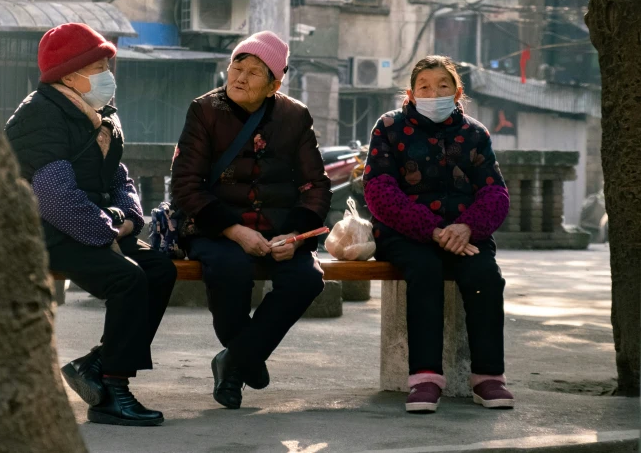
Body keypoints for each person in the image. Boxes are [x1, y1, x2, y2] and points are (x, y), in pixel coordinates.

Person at [5, 23, 176, 426]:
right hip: (44, 229)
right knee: (128, 279)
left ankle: (97, 364)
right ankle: (112, 392)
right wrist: (107, 231)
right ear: (69, 74)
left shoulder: (100, 114)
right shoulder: (39, 116)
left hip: (91, 224)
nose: (107, 74)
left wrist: (131, 219)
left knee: (160, 269)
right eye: (99, 65)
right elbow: (54, 195)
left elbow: (119, 177)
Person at [171, 31, 331, 409]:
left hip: (279, 231)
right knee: (230, 269)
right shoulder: (205, 110)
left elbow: (315, 184)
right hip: (215, 226)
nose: (239, 77)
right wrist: (234, 230)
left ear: (275, 83)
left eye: (253, 72)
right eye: (236, 66)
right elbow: (185, 185)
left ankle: (234, 360)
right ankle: (249, 358)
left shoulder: (295, 116)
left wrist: (295, 234)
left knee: (307, 279)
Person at [363, 55, 513, 413]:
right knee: (425, 272)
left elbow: (495, 191)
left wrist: (467, 227)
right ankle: (425, 378)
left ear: (457, 90)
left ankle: (488, 377)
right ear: (411, 94)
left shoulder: (475, 133)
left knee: (485, 278)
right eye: (425, 86)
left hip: (465, 233)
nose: (434, 92)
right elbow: (379, 190)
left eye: (443, 85)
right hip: (405, 234)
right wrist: (430, 230)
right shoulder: (388, 127)